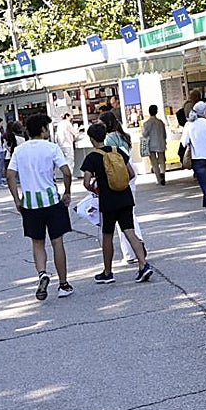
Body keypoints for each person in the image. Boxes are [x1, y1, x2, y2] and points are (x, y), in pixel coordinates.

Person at [6, 113, 74, 300]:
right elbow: (66, 172)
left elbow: (10, 175)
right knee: (57, 242)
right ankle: (63, 284)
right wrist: (67, 191)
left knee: (37, 243)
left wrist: (17, 199)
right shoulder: (51, 148)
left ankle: (42, 273)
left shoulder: (19, 150)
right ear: (43, 129)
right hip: (51, 201)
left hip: (30, 204)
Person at [84, 122, 153, 285]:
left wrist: (96, 188)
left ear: (92, 139)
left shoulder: (92, 157)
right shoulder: (118, 151)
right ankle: (143, 264)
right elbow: (131, 173)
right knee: (129, 231)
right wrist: (121, 184)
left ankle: (108, 272)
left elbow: (86, 182)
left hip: (108, 201)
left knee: (107, 235)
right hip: (125, 197)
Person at [99, 111, 146, 264]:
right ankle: (135, 246)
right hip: (129, 171)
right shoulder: (123, 136)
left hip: (118, 174)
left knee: (123, 217)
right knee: (129, 211)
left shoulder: (109, 139)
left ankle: (130, 251)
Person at [142, 105, 168, 186]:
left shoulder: (147, 123)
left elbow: (144, 134)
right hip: (160, 143)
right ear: (156, 112)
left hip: (151, 144)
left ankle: (158, 179)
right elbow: (164, 134)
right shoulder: (160, 122)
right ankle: (163, 173)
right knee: (162, 160)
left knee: (154, 162)